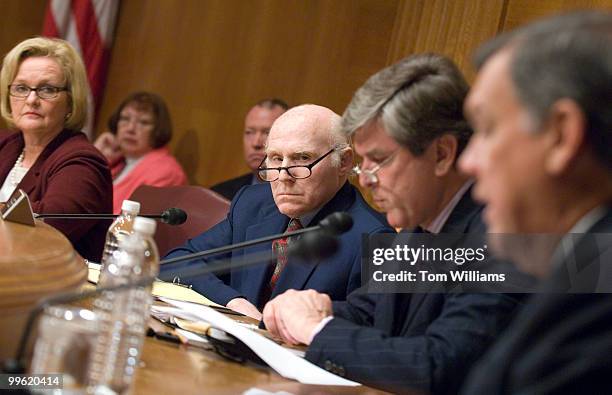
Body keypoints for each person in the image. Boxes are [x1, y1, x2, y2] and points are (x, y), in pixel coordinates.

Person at [262, 54, 520, 394]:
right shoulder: (418, 222)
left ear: (441, 154)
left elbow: (439, 365)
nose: (366, 180)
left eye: (380, 160)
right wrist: (306, 308)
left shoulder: (506, 235)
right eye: (363, 161)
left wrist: (318, 329)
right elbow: (372, 311)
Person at [458, 11, 612, 394]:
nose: (469, 161)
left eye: (487, 128)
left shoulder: (594, 306)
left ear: (561, 135)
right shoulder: (585, 262)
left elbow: (439, 360)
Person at [161, 104, 392, 320]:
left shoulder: (377, 240)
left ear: (343, 162)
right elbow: (178, 261)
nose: (283, 176)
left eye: (302, 158)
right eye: (275, 158)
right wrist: (233, 301)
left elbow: (372, 328)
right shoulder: (253, 205)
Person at [0, 37, 112, 262]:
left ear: (71, 102)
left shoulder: (83, 163)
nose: (31, 99)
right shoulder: (7, 144)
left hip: (53, 289)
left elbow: (41, 230)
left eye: (47, 89)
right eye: (21, 88)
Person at [94, 91, 187, 213]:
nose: (130, 128)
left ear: (158, 130)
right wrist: (96, 156)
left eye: (143, 122)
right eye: (125, 119)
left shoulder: (166, 172)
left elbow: (129, 225)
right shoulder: (119, 161)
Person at [210, 98, 288, 200]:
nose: (256, 143)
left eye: (267, 133)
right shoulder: (219, 196)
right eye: (249, 132)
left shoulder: (301, 200)